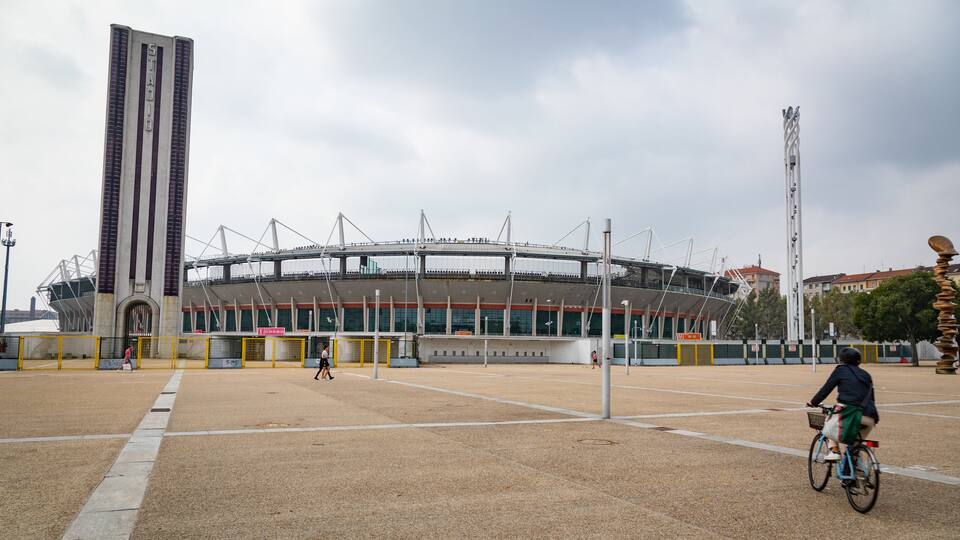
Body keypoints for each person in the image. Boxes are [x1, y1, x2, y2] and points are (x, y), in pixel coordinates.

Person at [806, 347, 879, 461]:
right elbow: (872, 397)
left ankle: (834, 451)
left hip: (851, 413)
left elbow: (826, 388)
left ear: (842, 360)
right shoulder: (866, 374)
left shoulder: (840, 370)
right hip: (870, 416)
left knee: (828, 426)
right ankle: (857, 472)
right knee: (854, 446)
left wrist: (813, 402)